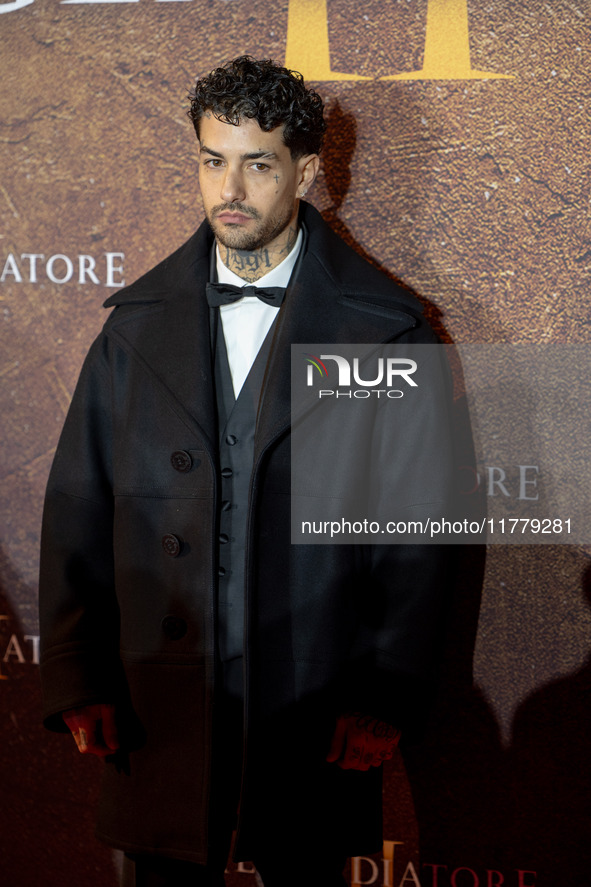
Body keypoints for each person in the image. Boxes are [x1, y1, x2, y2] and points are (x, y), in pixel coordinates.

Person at [39, 56, 454, 886]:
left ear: (304, 172)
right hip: (159, 706)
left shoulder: (388, 332)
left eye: (257, 163)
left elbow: (425, 532)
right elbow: (77, 507)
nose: (229, 187)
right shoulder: (129, 334)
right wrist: (81, 674)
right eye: (211, 159)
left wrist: (386, 691)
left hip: (313, 700)